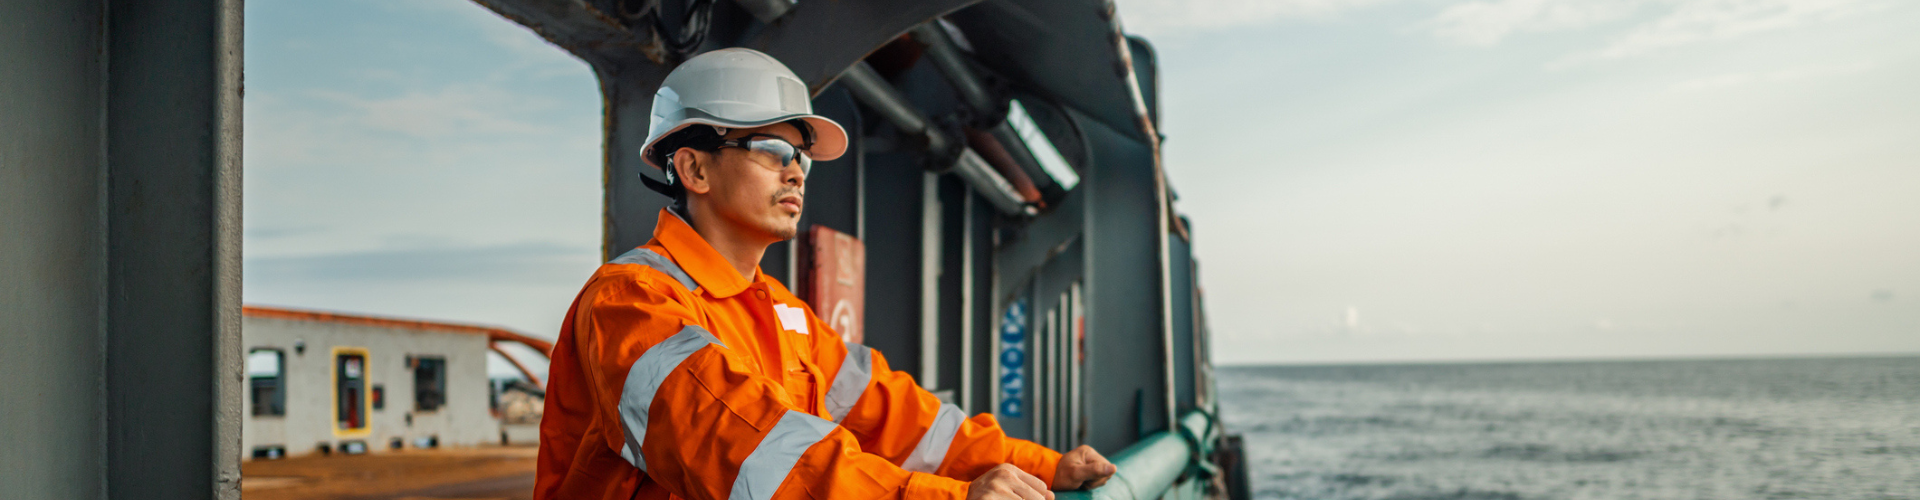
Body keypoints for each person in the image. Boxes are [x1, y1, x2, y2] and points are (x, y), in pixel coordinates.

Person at [534, 48, 1116, 500]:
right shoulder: (630, 304)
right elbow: (744, 450)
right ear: (693, 169)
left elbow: (902, 421)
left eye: (801, 156)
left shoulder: (781, 313)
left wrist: (1041, 467)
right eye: (771, 149)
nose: (796, 173)